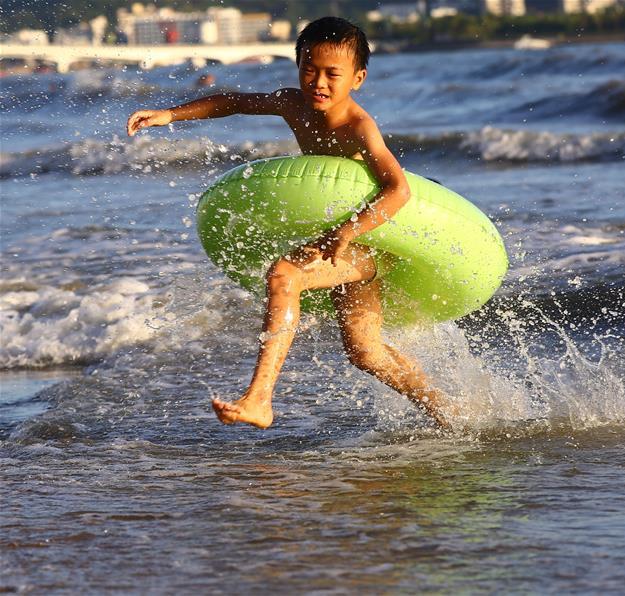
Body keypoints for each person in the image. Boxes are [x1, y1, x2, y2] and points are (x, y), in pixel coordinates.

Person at [126, 17, 450, 429]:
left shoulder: (359, 128)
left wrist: (348, 230)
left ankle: (259, 399)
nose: (318, 81)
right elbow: (235, 101)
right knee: (366, 354)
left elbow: (398, 190)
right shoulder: (292, 103)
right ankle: (447, 412)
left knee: (284, 275)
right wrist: (170, 115)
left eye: (333, 74)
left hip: (364, 243)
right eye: (308, 69)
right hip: (335, 243)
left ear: (358, 78)